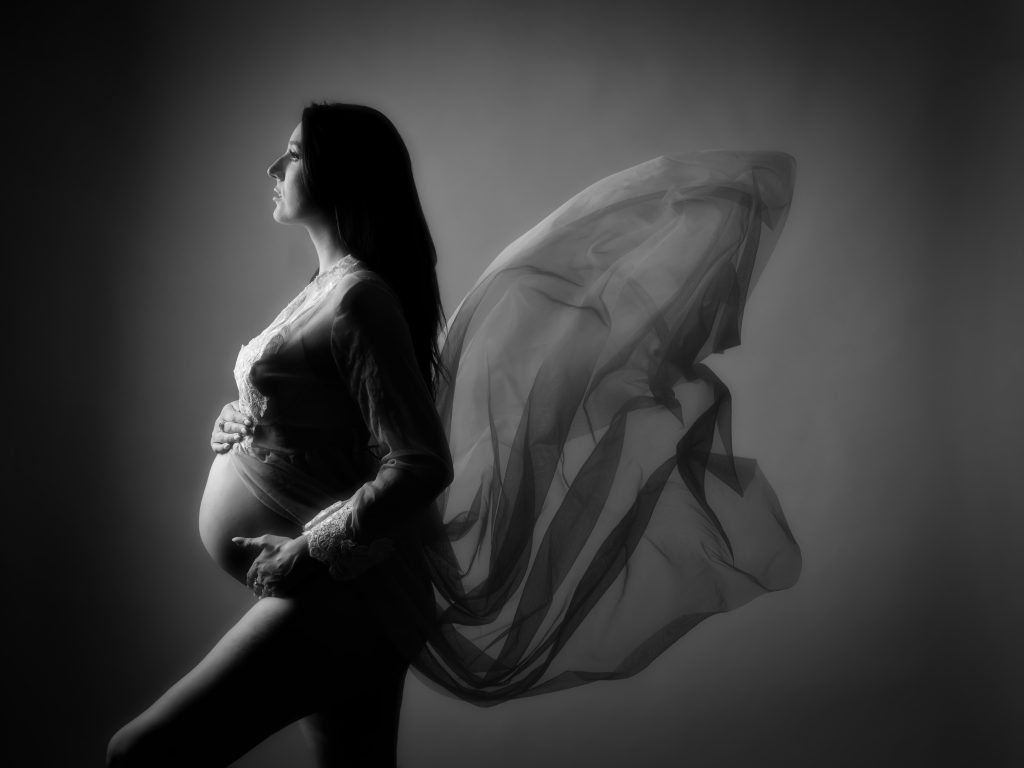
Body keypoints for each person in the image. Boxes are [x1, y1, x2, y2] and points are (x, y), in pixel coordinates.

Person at [109, 101, 803, 766]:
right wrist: (242, 417)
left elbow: (418, 464)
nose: (273, 168)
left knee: (140, 755)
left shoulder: (359, 299)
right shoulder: (326, 288)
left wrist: (306, 555)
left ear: (339, 174)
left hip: (341, 600)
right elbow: (331, 418)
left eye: (291, 155)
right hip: (347, 606)